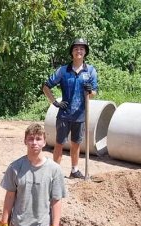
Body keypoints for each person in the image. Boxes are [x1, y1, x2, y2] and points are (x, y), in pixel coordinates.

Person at [42, 38, 98, 179]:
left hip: (80, 115)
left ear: (85, 52)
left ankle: (74, 171)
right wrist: (55, 102)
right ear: (72, 52)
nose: (78, 51)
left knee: (76, 144)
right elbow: (46, 87)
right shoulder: (63, 70)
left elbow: (93, 94)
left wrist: (90, 91)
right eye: (76, 48)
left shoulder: (90, 71)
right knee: (59, 143)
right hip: (64, 115)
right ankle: (55, 173)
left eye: (81, 48)